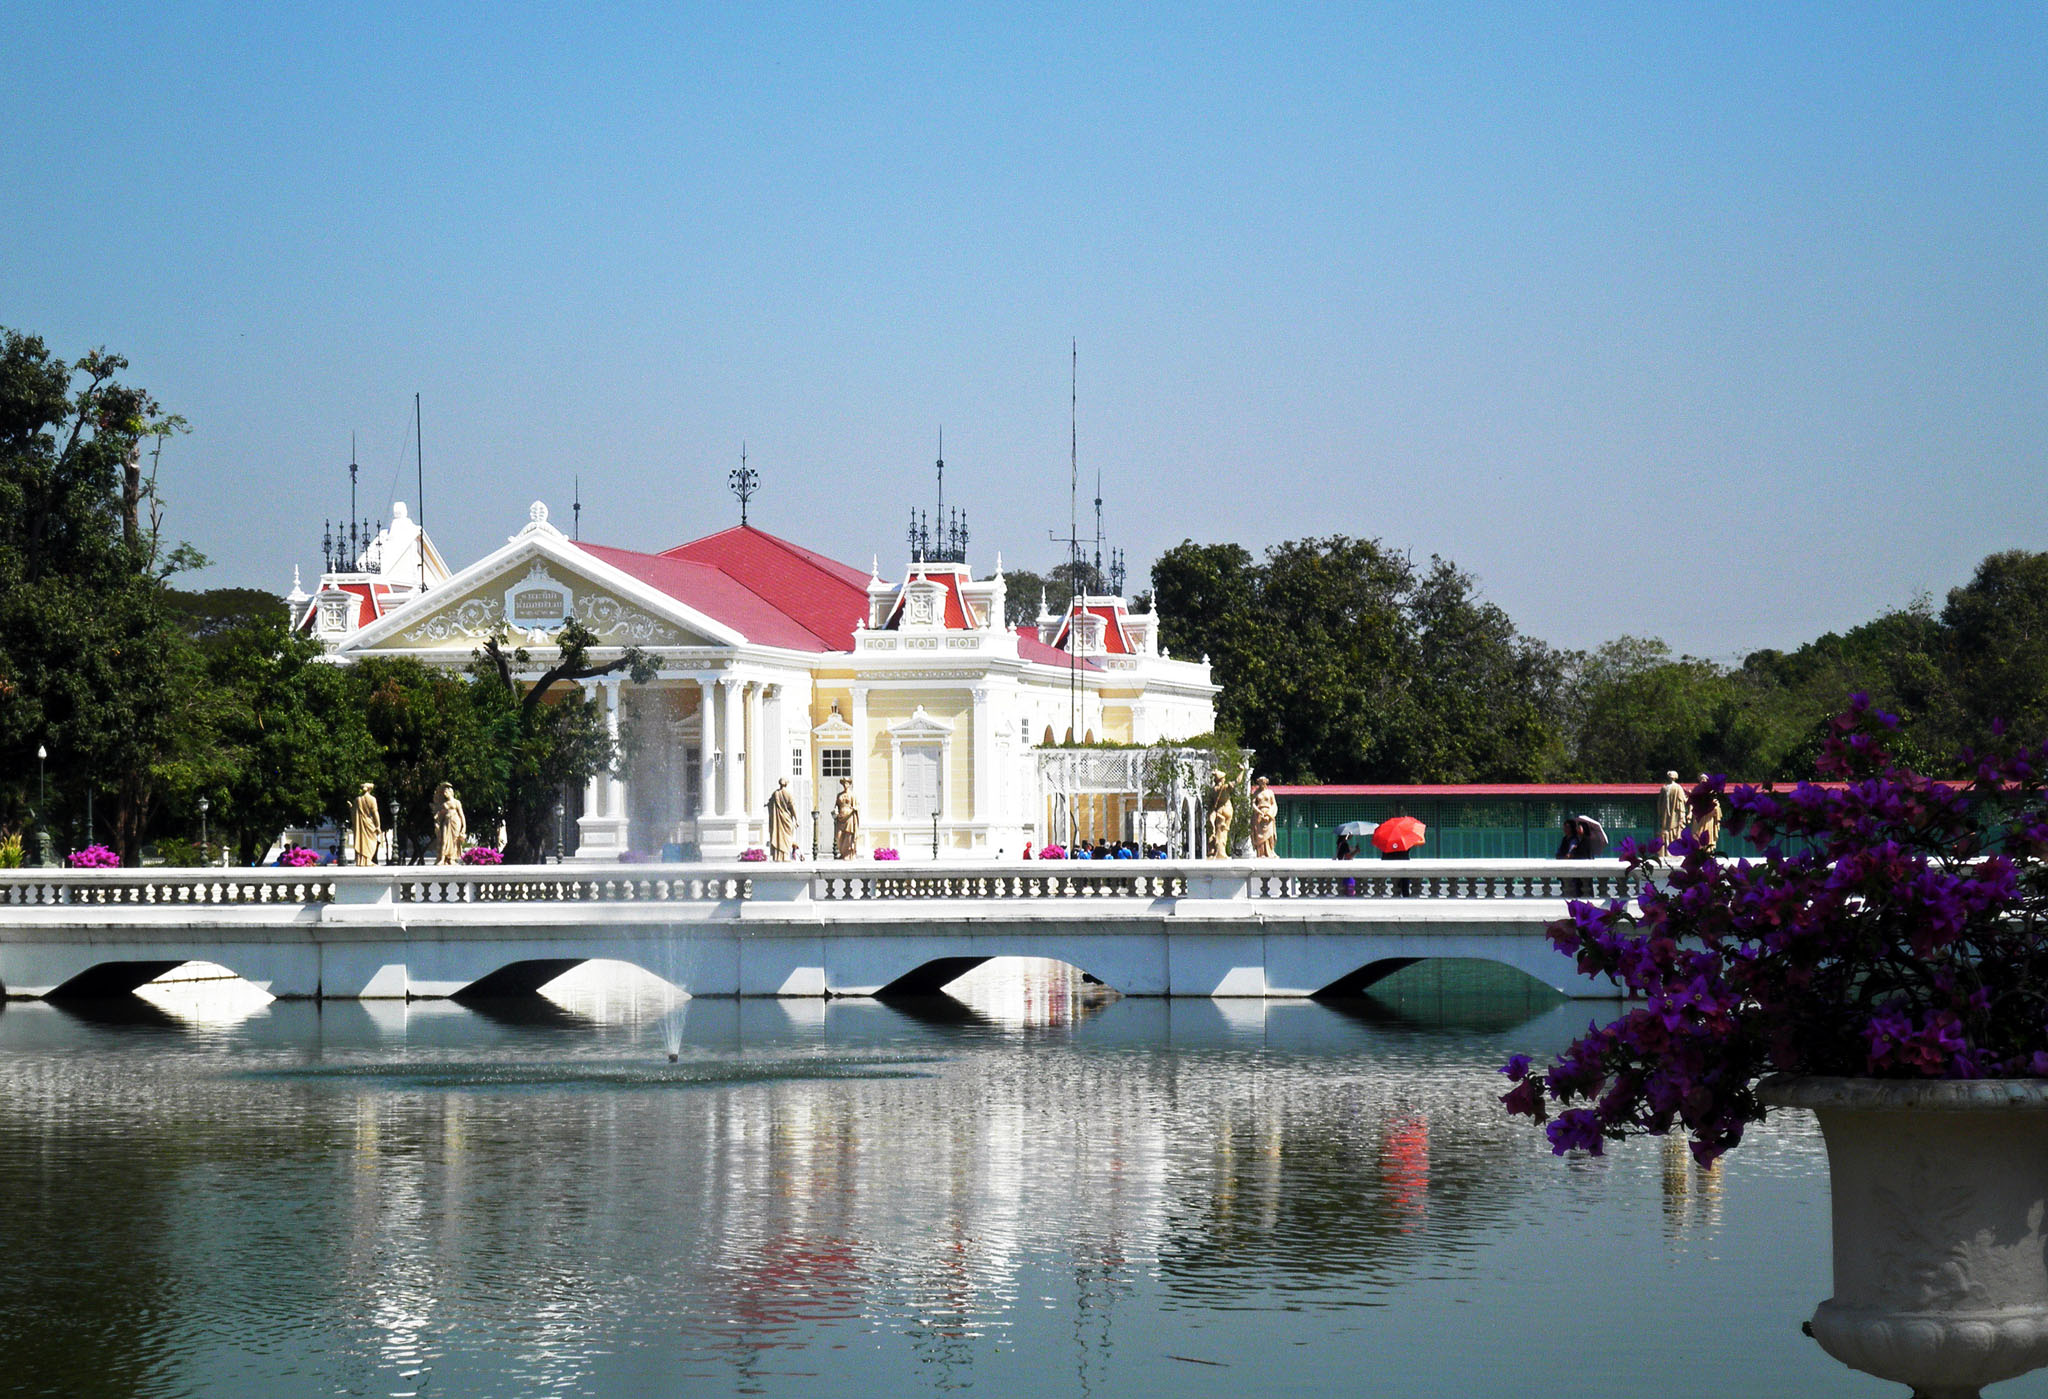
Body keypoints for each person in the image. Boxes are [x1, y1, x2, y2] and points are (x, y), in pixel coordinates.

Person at [432, 782, 465, 865]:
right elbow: (439, 815)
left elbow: (461, 815)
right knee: (444, 840)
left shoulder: (456, 802)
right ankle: (442, 858)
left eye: (446, 792)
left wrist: (464, 827)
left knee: (454, 841)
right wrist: (437, 818)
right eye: (444, 792)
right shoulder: (444, 804)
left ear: (450, 792)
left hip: (455, 822)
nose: (445, 794)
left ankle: (451, 859)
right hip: (446, 823)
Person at [1689, 775, 1723, 853]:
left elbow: (1715, 802)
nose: (1703, 780)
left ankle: (1708, 850)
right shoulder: (1696, 790)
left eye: (1704, 779)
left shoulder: (1711, 790)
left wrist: (1715, 806)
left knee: (1708, 833)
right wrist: (1690, 813)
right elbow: (1692, 802)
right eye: (1701, 779)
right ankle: (1697, 850)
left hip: (1708, 816)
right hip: (1698, 815)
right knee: (1697, 833)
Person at [766, 777, 798, 861]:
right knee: (786, 837)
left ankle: (778, 856)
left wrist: (768, 805)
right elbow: (792, 808)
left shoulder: (775, 793)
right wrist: (796, 819)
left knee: (779, 835)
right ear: (786, 784)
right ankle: (785, 856)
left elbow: (770, 803)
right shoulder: (788, 794)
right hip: (786, 817)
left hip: (778, 818)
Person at [1206, 770, 1234, 859]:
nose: (1225, 779)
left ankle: (1215, 850)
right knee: (1223, 832)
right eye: (1224, 778)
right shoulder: (1224, 788)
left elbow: (1210, 802)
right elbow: (1237, 781)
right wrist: (1241, 771)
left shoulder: (1213, 790)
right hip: (1226, 810)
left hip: (1218, 811)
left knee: (1217, 831)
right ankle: (1221, 852)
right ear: (1222, 779)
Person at [352, 783, 381, 867]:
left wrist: (350, 808)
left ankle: (362, 861)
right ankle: (367, 860)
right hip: (368, 822)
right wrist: (378, 825)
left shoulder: (357, 799)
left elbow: (354, 813)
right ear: (370, 789)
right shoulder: (372, 799)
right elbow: (375, 813)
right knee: (372, 840)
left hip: (360, 824)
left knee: (361, 840)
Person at [1657, 771, 1687, 849]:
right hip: (1665, 813)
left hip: (1675, 813)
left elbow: (1682, 800)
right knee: (1665, 829)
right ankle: (1667, 846)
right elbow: (1660, 801)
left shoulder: (1678, 787)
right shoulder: (1664, 788)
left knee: (1675, 829)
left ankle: (1674, 845)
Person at [1250, 776, 1278, 858]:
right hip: (1259, 815)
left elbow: (1274, 804)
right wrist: (1259, 812)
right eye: (1260, 782)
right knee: (1260, 835)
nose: (1261, 784)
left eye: (1263, 782)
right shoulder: (1256, 793)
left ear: (1266, 782)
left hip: (1268, 814)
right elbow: (1253, 804)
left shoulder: (1270, 792)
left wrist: (1269, 815)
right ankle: (1261, 853)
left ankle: (1270, 851)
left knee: (1270, 834)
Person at [832, 777, 860, 859]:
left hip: (849, 817)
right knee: (839, 837)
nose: (845, 784)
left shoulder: (852, 795)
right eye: (844, 783)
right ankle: (842, 852)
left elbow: (857, 805)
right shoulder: (839, 795)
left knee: (848, 836)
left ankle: (847, 854)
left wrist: (854, 809)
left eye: (847, 783)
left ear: (849, 784)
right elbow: (836, 805)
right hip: (840, 817)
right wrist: (835, 811)